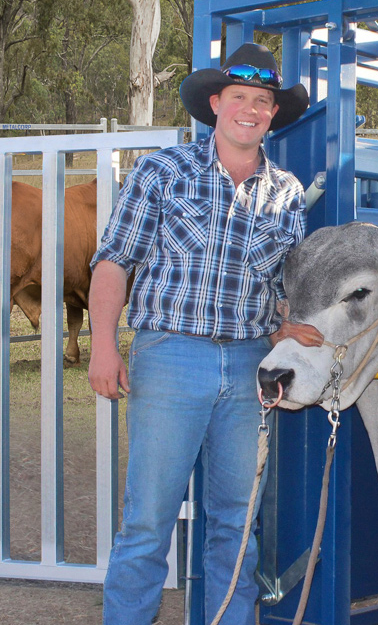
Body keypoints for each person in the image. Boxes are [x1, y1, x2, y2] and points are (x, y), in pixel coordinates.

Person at [88, 42, 325, 625]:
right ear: (215, 104)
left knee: (237, 524)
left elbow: (279, 283)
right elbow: (114, 261)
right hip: (170, 356)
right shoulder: (162, 171)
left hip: (249, 367)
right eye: (239, 97)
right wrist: (102, 347)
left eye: (262, 100)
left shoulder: (287, 193)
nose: (250, 108)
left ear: (273, 113)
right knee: (148, 521)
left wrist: (283, 324)